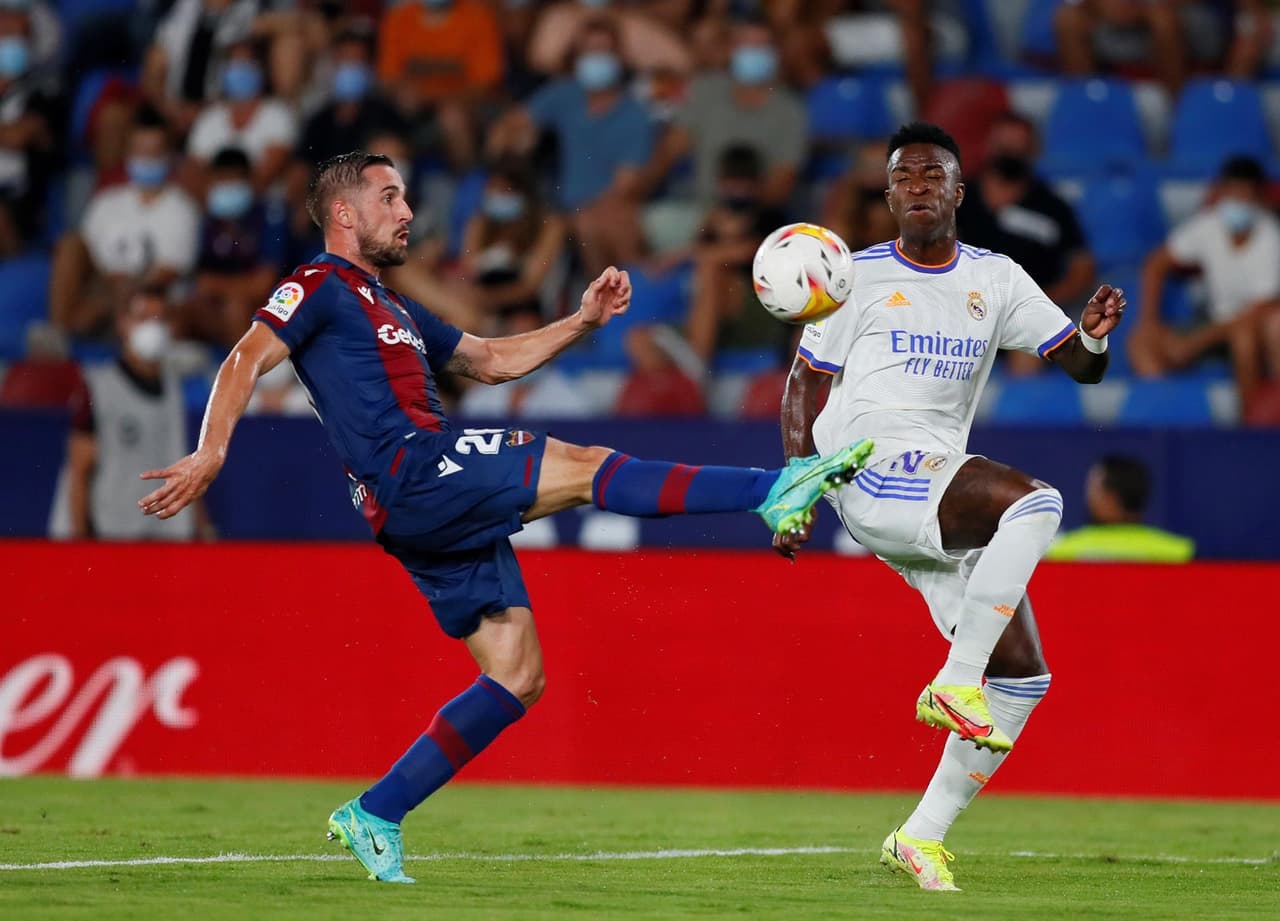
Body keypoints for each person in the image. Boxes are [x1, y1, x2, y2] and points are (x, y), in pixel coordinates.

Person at [136, 150, 872, 884]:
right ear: (343, 214)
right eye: (389, 197)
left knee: (517, 675)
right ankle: (773, 488)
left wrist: (580, 321)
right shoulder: (319, 284)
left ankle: (376, 812)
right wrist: (209, 452)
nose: (406, 212)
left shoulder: (392, 306)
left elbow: (488, 360)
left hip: (417, 505)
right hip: (415, 472)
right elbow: (243, 357)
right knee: (585, 467)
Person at [776, 123, 1126, 892]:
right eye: (904, 177)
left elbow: (1077, 362)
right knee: (1036, 502)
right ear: (890, 196)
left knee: (1023, 680)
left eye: (934, 174)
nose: (919, 186)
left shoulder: (996, 278)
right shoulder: (852, 276)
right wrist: (799, 485)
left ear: (959, 193)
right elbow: (804, 385)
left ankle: (920, 835)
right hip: (870, 465)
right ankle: (952, 679)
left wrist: (1094, 342)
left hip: (935, 481)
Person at [52, 285, 201, 541]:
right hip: (112, 538)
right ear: (123, 324)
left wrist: (201, 529)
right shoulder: (98, 388)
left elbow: (183, 465)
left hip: (166, 540)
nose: (153, 328)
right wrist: (77, 548)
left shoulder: (174, 389)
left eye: (161, 318)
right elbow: (78, 471)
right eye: (143, 318)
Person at [1130, 155, 1280, 405]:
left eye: (1244, 195)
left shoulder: (1270, 235)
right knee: (1141, 343)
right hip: (1214, 322)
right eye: (1231, 194)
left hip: (1252, 329)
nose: (1237, 202)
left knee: (1244, 336)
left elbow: (1260, 310)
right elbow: (1156, 264)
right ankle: (1166, 417)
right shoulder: (1209, 226)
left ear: (1258, 198)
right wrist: (1148, 320)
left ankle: (1250, 429)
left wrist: (1195, 342)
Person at [957, 111, 1096, 376]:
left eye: (1018, 147)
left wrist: (1042, 303)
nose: (1010, 153)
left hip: (1025, 316)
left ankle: (1014, 415)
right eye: (1004, 145)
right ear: (989, 146)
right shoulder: (959, 199)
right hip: (965, 311)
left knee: (1028, 357)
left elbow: (1082, 270)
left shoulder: (1053, 208)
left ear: (1033, 150)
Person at [48, 107, 200, 337]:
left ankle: (121, 348)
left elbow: (169, 272)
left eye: (154, 152)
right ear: (127, 154)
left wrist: (125, 285)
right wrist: (110, 284)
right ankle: (57, 334)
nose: (146, 159)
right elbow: (87, 258)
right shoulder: (106, 201)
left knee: (123, 290)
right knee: (70, 245)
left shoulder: (182, 208)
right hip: (103, 290)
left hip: (154, 296)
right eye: (140, 152)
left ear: (168, 155)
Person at [1046, 455, 1194, 562]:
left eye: (1094, 489)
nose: (1088, 497)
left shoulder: (1061, 553)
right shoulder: (1178, 552)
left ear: (1111, 497)